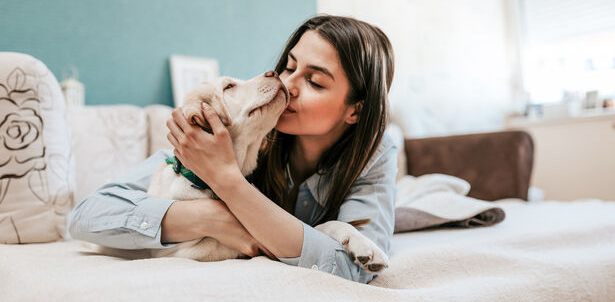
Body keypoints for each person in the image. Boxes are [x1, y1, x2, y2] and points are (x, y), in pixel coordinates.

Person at [69, 15, 397, 284]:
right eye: (290, 66)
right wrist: (210, 217)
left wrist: (228, 180)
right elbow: (87, 216)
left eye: (315, 81)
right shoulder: (242, 133)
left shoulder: (375, 154)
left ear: (355, 109)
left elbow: (355, 269)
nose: (289, 84)